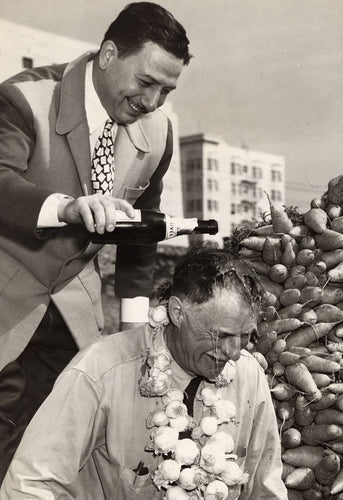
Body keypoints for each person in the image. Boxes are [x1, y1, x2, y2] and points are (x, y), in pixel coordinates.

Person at [0, 1, 191, 482]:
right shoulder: (22, 98)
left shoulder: (159, 134)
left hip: (72, 315)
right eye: (146, 83)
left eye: (166, 91)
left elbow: (142, 237)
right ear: (108, 54)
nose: (152, 103)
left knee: (60, 446)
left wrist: (132, 336)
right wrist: (65, 206)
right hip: (4, 301)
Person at [0, 246, 287, 499]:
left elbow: (265, 488)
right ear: (177, 313)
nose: (234, 352)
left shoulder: (249, 375)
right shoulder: (101, 371)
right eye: (221, 335)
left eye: (244, 336)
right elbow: (29, 486)